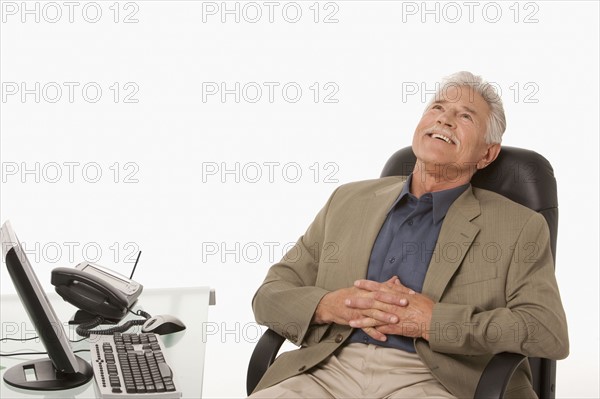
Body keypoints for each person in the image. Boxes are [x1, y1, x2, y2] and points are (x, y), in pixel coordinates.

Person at [249, 71, 569, 398]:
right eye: (437, 108)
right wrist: (329, 305)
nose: (444, 120)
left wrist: (433, 322)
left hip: (434, 379)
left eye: (465, 116)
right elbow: (269, 295)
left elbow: (547, 330)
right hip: (327, 369)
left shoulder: (518, 226)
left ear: (487, 154)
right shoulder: (346, 201)